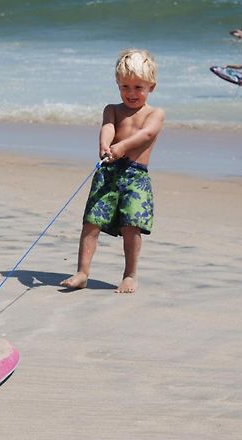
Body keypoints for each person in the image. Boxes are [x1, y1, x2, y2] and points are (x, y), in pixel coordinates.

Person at [60, 49, 165, 294]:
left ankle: (129, 275)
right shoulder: (112, 109)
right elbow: (108, 127)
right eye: (125, 86)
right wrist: (105, 145)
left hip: (135, 177)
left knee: (131, 226)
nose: (131, 93)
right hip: (108, 173)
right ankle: (82, 272)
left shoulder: (155, 114)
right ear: (117, 85)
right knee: (91, 223)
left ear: (152, 87)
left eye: (138, 87)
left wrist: (123, 147)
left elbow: (146, 134)